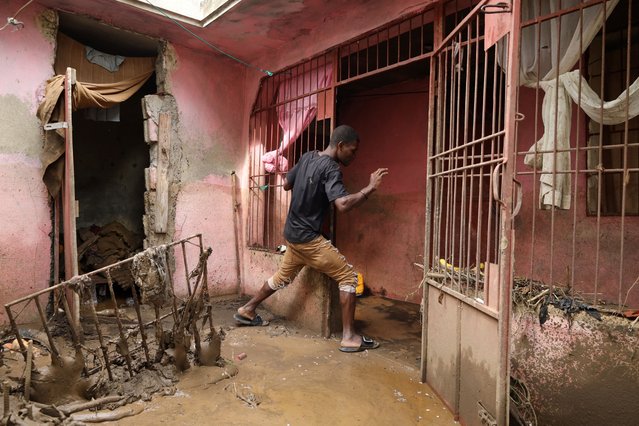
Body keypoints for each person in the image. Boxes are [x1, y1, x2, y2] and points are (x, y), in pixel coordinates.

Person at [234, 125, 389, 353]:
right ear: (340, 146)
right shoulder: (332, 169)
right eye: (352, 150)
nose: (353, 155)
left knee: (281, 278)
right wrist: (370, 188)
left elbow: (287, 184)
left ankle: (247, 309)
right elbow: (343, 205)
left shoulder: (308, 156)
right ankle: (349, 337)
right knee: (348, 276)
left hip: (292, 235)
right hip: (308, 239)